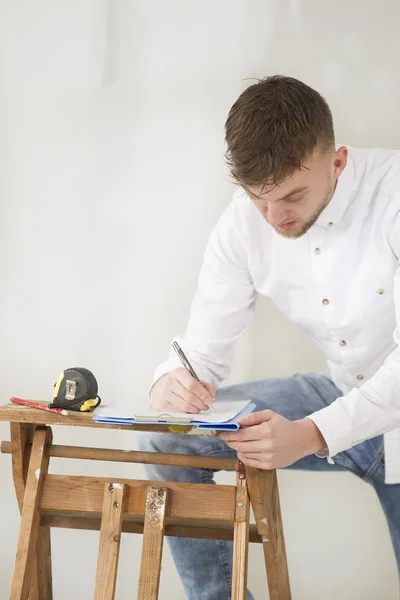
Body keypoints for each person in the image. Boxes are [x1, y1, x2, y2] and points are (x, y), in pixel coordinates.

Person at [137, 75, 400, 599]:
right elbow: (202, 351)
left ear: (338, 161)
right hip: (339, 391)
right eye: (260, 199)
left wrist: (310, 434)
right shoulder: (242, 224)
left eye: (293, 196)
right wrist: (174, 382)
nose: (275, 217)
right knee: (166, 436)